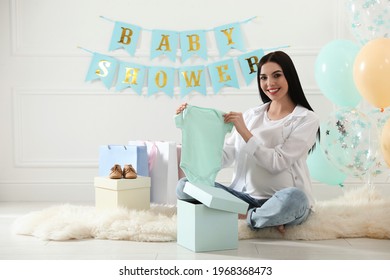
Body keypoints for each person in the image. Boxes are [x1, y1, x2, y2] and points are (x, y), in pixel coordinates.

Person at [176, 51, 320, 234]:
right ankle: (260, 217)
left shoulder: (306, 119)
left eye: (277, 75)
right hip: (244, 198)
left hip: (283, 199)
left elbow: (277, 163)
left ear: (289, 76)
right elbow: (224, 157)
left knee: (295, 199)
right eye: (263, 78)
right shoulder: (253, 115)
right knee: (184, 185)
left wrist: (244, 131)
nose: (270, 83)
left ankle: (246, 216)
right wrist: (192, 127)